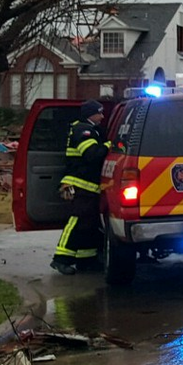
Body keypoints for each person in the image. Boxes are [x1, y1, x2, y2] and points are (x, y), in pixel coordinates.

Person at [52, 100, 109, 274]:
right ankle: (61, 259)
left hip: (87, 186)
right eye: (99, 112)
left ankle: (86, 260)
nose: (102, 116)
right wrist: (110, 145)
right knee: (77, 220)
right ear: (91, 114)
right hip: (77, 185)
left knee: (89, 223)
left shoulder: (90, 130)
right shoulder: (83, 131)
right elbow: (92, 155)